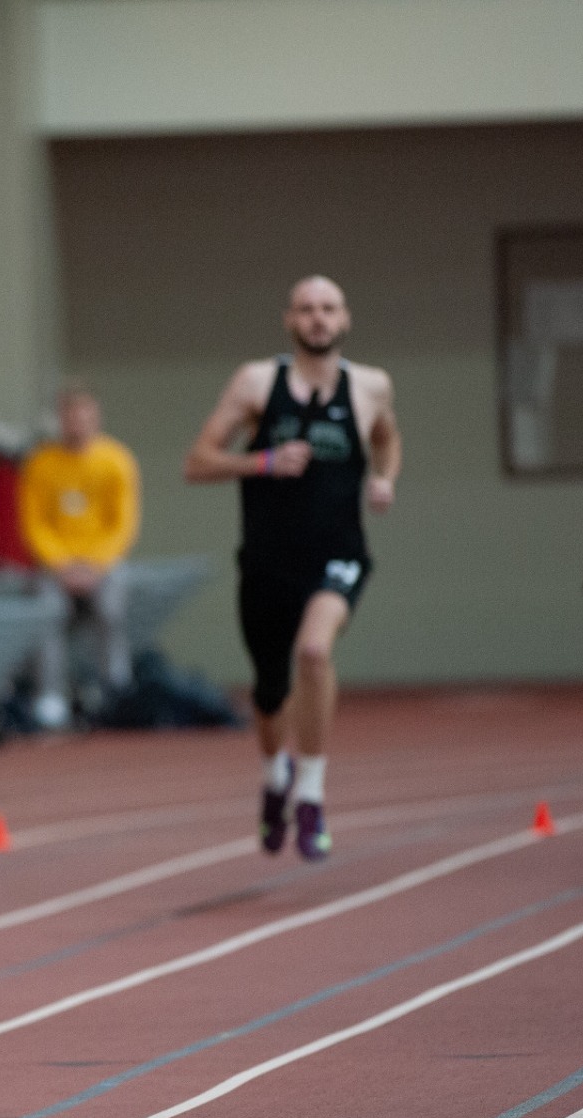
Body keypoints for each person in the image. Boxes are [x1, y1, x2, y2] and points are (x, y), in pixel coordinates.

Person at [185, 276, 401, 860]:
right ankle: (274, 777)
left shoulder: (370, 386)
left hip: (339, 554)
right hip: (267, 561)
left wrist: (383, 478)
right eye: (306, 310)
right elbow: (197, 462)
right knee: (269, 694)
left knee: (314, 652)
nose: (317, 319)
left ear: (345, 319)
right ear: (289, 321)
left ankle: (310, 793)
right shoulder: (257, 382)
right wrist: (263, 461)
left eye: (328, 308)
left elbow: (387, 439)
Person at [18, 386, 141, 728]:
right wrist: (61, 566)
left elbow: (123, 524)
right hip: (57, 567)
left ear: (96, 417)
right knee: (47, 611)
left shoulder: (116, 460)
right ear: (61, 420)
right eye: (70, 417)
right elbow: (34, 523)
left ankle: (114, 686)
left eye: (84, 417)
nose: (77, 424)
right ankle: (50, 695)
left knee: (111, 607)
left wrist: (96, 566)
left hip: (102, 565)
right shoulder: (41, 463)